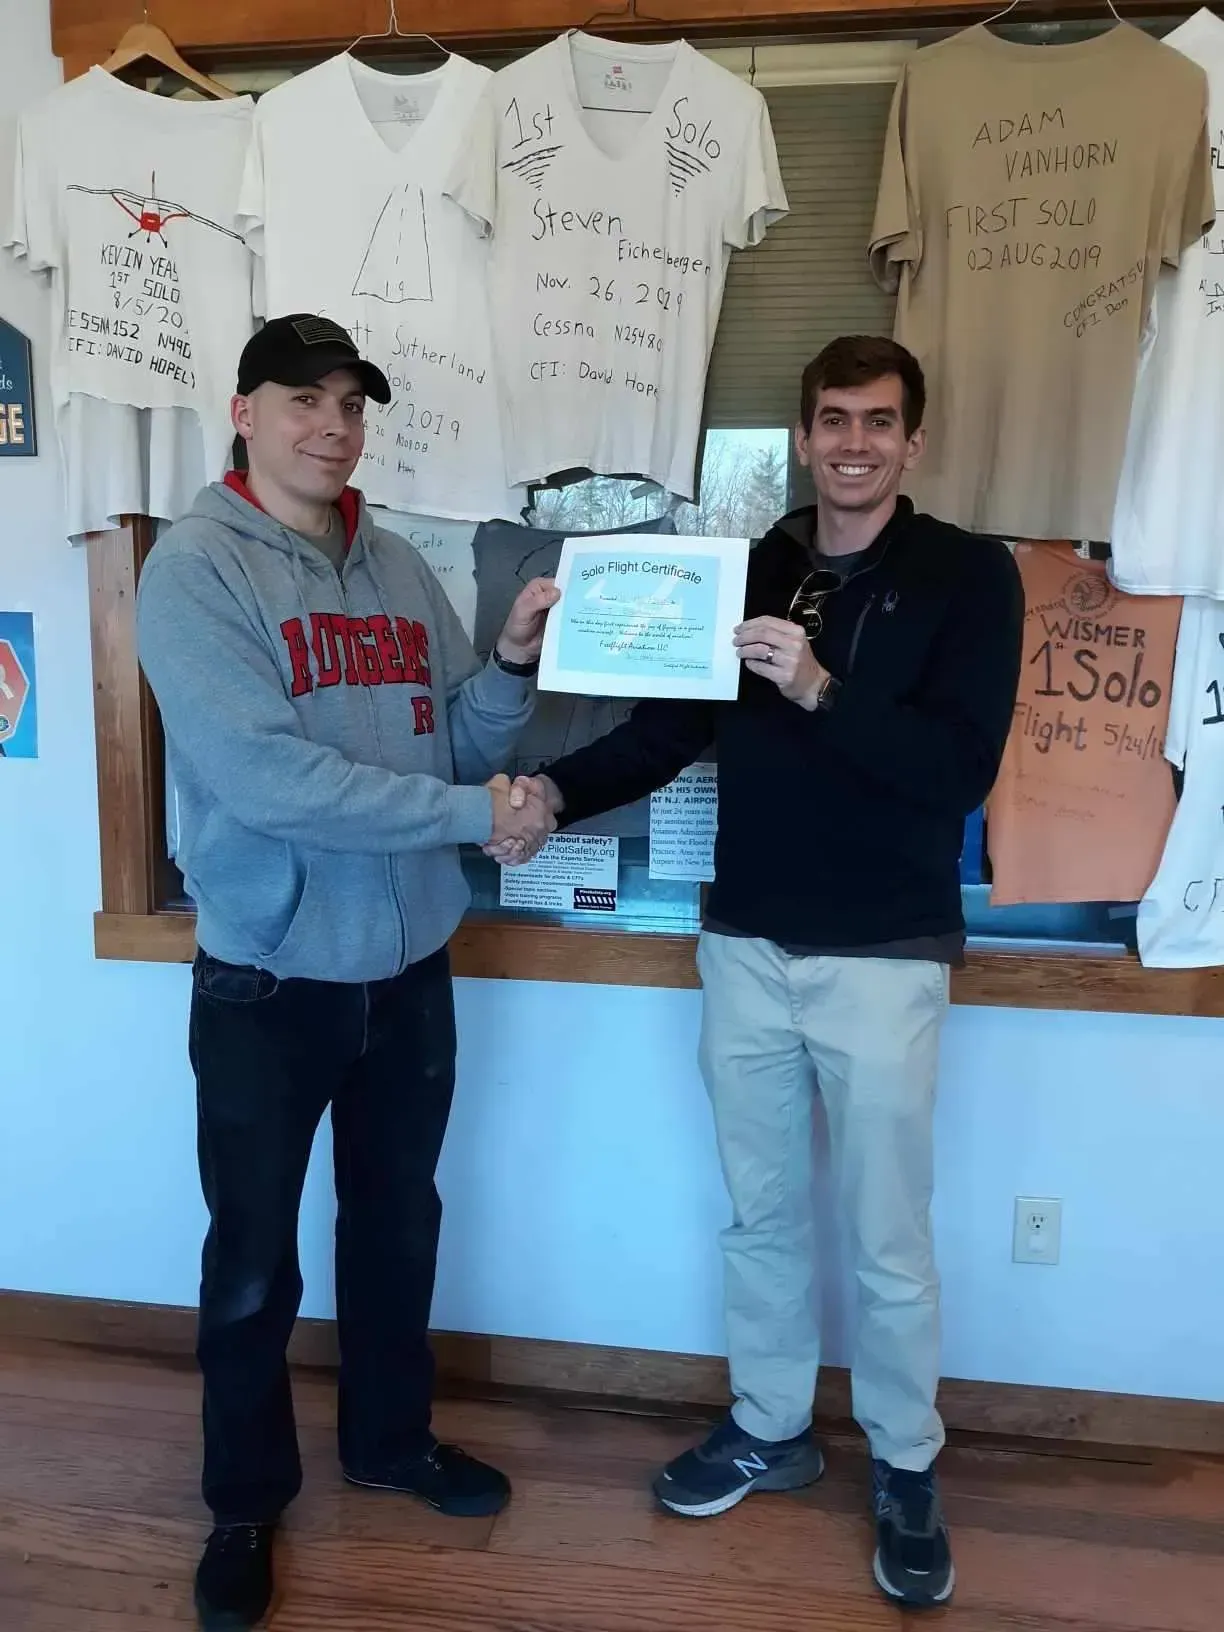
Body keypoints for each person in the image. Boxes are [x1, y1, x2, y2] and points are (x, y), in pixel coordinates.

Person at [496, 335, 1024, 1608]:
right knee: (761, 1217)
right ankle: (772, 1428)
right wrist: (556, 789)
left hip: (885, 958)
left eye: (879, 422)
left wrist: (824, 686)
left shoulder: (968, 573)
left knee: (887, 1236)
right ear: (802, 435)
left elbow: (957, 772)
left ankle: (904, 1465)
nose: (854, 443)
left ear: (913, 440)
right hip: (742, 947)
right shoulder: (749, 568)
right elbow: (671, 730)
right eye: (833, 418)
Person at [136, 313, 558, 1632]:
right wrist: (470, 818)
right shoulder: (197, 574)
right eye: (304, 401)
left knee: (396, 1225)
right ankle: (243, 1506)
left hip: (410, 968)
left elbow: (450, 740)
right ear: (244, 413)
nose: (332, 426)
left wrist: (505, 670)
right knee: (252, 1262)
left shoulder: (399, 569)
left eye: (351, 406)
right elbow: (270, 781)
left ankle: (389, 1442)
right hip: (267, 980)